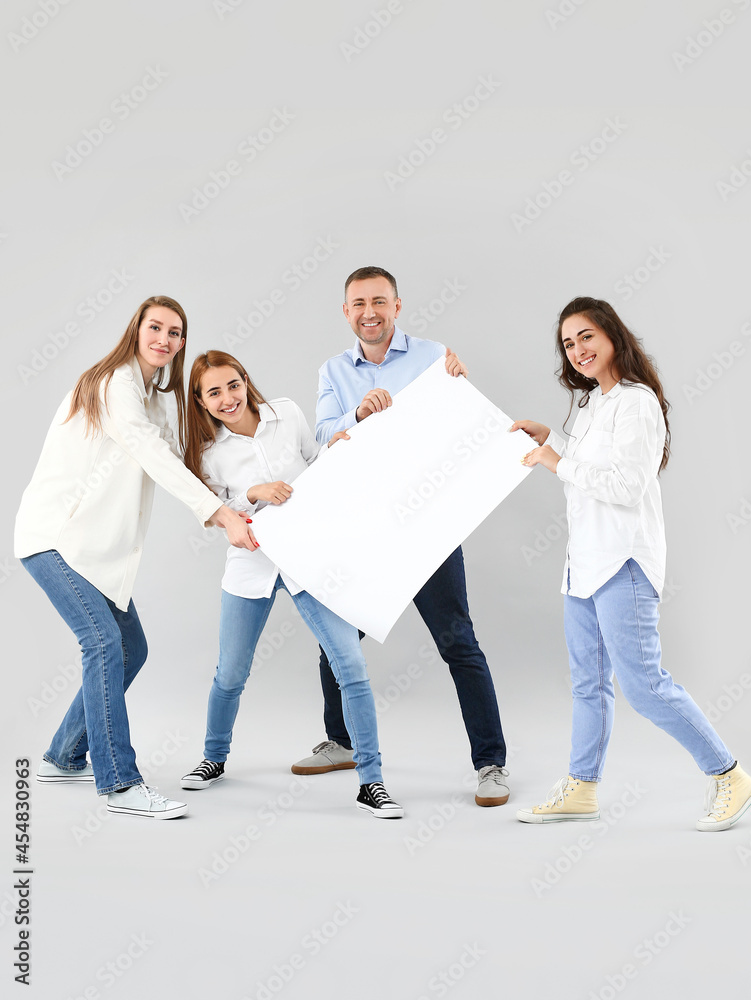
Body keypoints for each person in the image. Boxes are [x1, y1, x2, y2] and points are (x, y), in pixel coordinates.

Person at [512, 296, 751, 831]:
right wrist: (552, 439)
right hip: (583, 566)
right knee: (588, 684)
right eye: (568, 343)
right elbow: (587, 464)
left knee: (645, 686)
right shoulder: (589, 404)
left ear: (612, 335)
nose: (578, 349)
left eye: (586, 336)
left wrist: (555, 463)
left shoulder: (637, 402)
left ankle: (730, 775)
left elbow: (626, 486)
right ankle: (582, 788)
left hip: (622, 561)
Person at [15, 296, 256, 820]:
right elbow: (149, 451)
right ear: (137, 329)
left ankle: (63, 755)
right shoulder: (113, 384)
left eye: (175, 332)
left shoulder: (154, 397)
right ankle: (120, 783)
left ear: (181, 343)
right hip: (53, 538)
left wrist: (239, 493)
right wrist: (219, 515)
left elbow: (176, 457)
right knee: (103, 643)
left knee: (130, 648)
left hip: (90, 550)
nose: (164, 339)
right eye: (155, 327)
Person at [290, 265, 510, 807]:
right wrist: (356, 413)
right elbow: (323, 437)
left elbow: (462, 426)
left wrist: (461, 383)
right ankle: (342, 743)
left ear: (397, 306)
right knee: (337, 642)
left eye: (379, 302)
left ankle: (491, 765)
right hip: (366, 529)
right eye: (359, 303)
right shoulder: (333, 371)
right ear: (346, 312)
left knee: (458, 643)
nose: (370, 312)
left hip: (428, 528)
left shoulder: (434, 356)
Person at [179, 351, 402, 819]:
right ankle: (213, 757)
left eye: (233, 385)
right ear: (200, 401)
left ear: (245, 381)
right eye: (213, 392)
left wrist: (335, 448)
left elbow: (314, 462)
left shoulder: (286, 413)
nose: (227, 398)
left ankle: (372, 782)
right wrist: (253, 494)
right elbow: (213, 511)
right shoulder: (207, 452)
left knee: (351, 665)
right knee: (230, 674)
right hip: (251, 564)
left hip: (309, 558)